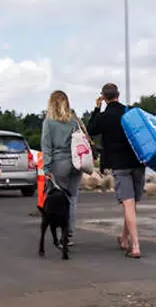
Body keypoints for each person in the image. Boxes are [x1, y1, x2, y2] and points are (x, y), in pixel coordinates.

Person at [88, 83, 145, 258]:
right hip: (138, 162)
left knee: (128, 204)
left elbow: (91, 130)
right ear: (118, 95)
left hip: (120, 165)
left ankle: (135, 246)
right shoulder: (130, 112)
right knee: (132, 205)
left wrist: (96, 109)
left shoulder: (104, 117)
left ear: (104, 97)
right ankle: (124, 239)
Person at [40, 90, 83, 241]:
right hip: (76, 163)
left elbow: (46, 147)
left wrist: (46, 168)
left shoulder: (49, 122)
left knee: (59, 199)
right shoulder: (74, 120)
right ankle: (69, 230)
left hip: (59, 163)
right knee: (73, 197)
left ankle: (62, 232)